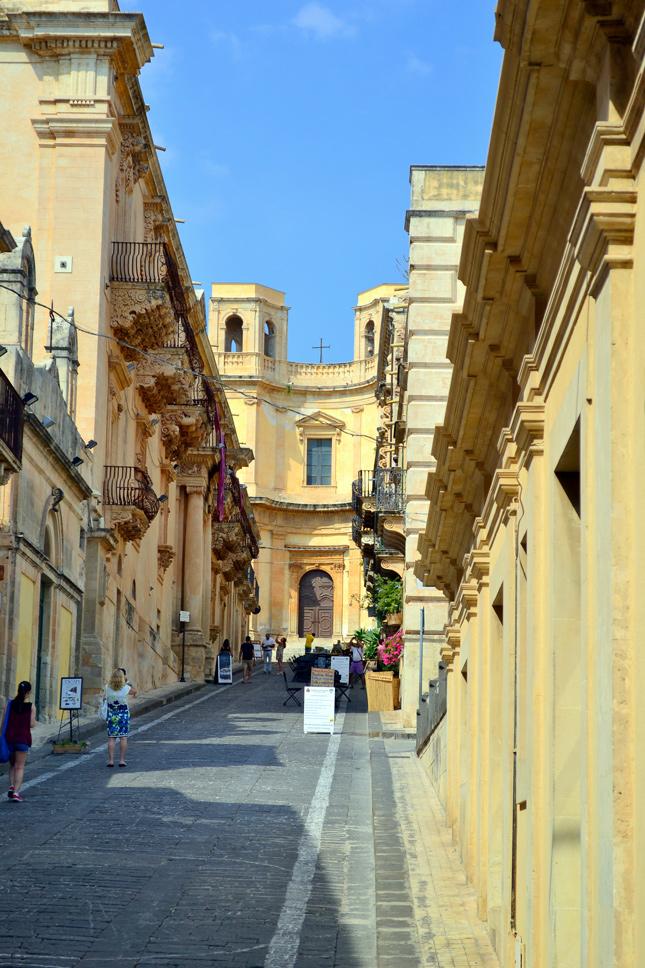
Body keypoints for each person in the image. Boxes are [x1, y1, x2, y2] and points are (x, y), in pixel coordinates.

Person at [4, 680, 36, 801]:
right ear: (28, 692)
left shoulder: (9, 704)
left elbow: (4, 721)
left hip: (10, 738)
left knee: (12, 764)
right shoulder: (31, 706)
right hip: (22, 739)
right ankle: (16, 793)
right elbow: (32, 724)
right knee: (19, 767)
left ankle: (11, 786)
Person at [104, 668, 137, 767]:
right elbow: (135, 691)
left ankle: (111, 760)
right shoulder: (125, 688)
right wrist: (128, 682)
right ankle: (122, 760)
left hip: (111, 714)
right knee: (123, 737)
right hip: (123, 715)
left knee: (111, 738)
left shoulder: (107, 687)